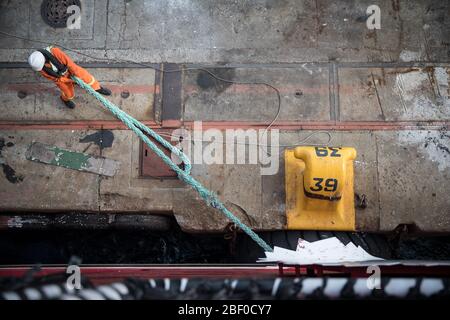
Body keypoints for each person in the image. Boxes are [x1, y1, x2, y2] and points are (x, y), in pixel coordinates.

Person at [27, 46, 111, 109]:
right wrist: (67, 80)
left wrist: (77, 78)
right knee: (68, 94)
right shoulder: (40, 67)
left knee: (88, 79)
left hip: (71, 70)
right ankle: (65, 99)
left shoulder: (54, 52)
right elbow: (53, 78)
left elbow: (70, 64)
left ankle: (98, 88)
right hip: (61, 78)